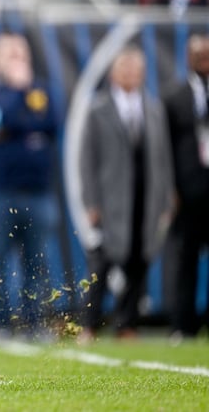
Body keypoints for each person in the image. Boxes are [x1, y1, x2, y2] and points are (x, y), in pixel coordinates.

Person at [77, 45, 174, 343]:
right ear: (113, 73)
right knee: (101, 264)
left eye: (136, 69)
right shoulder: (98, 109)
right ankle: (90, 325)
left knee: (139, 263)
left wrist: (166, 197)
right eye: (125, 68)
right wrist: (92, 201)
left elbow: (163, 157)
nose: (131, 74)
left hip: (145, 198)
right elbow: (87, 159)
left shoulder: (154, 109)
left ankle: (126, 323)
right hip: (111, 200)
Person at [0, 32, 59, 343]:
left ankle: (35, 322)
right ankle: (1, 324)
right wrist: (18, 95)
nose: (18, 59)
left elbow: (50, 126)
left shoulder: (42, 90)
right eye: (10, 54)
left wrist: (19, 126)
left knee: (37, 261)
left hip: (37, 190)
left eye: (21, 52)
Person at [163, 34, 209, 341]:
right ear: (187, 57)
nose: (203, 58)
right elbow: (164, 148)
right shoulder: (175, 96)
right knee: (185, 258)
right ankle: (183, 323)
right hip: (188, 190)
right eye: (198, 53)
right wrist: (170, 189)